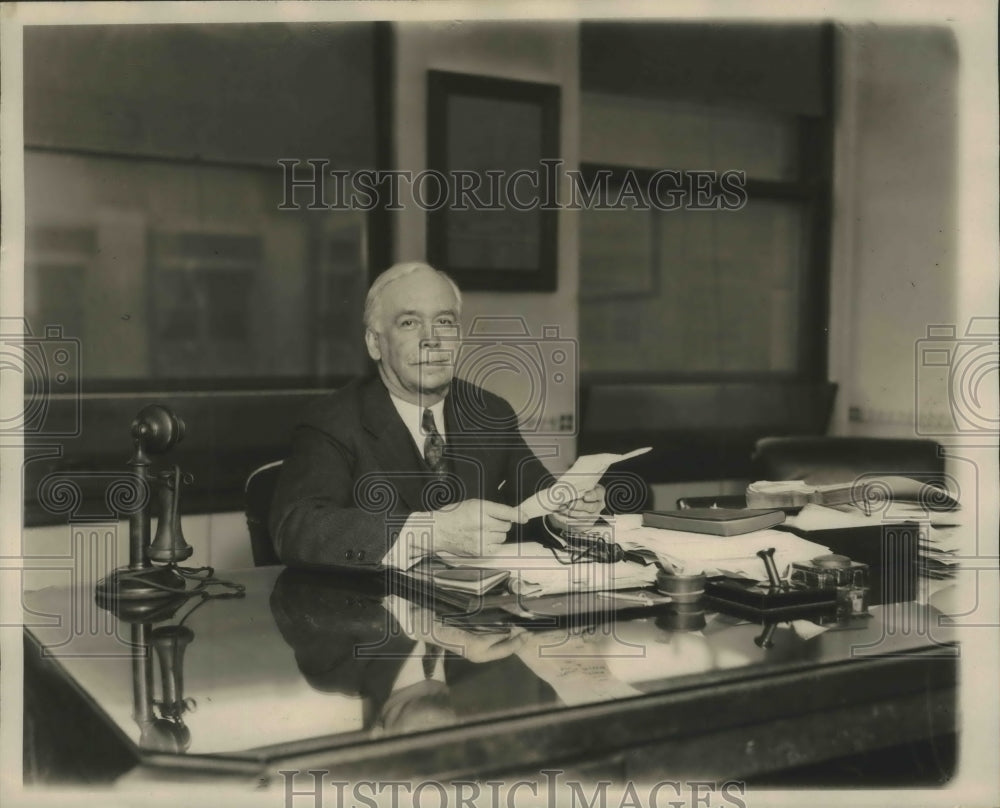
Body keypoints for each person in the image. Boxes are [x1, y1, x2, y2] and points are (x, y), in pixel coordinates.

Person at [269, 261, 604, 568]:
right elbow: (297, 528)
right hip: (379, 622)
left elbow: (537, 498)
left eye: (444, 322)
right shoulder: (333, 420)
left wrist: (565, 512)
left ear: (458, 337)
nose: (431, 339)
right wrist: (432, 531)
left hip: (481, 621)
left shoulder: (489, 411)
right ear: (374, 343)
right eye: (409, 323)